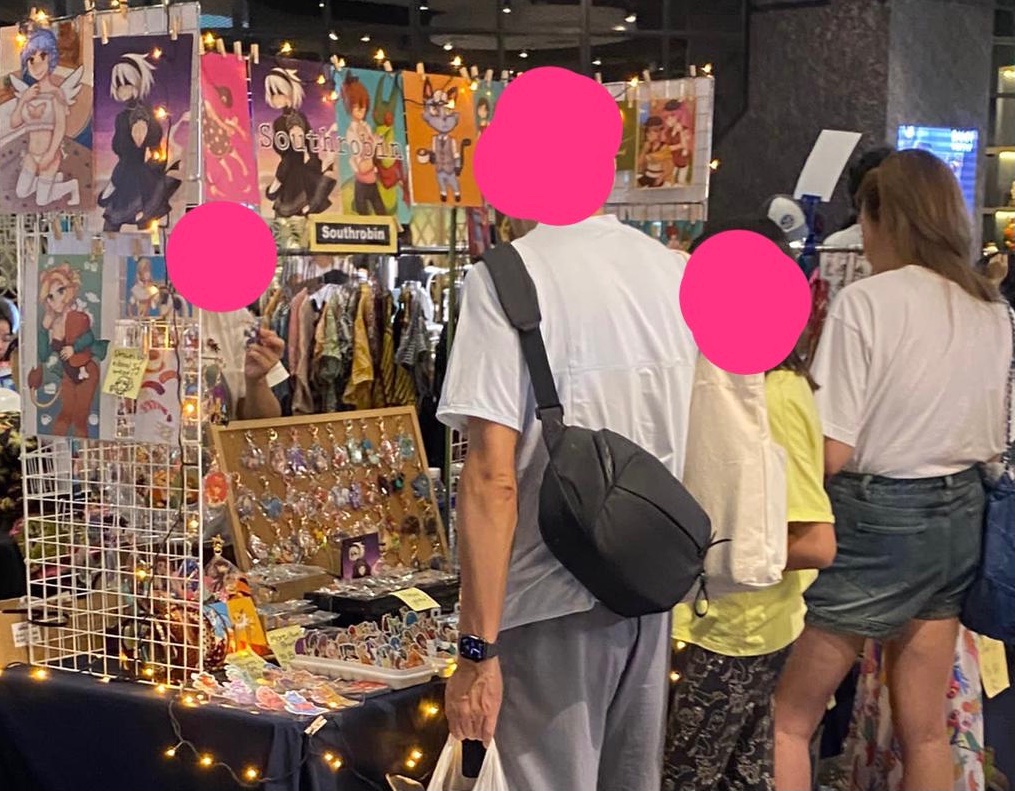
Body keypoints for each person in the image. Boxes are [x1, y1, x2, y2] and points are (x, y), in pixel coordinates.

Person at [773, 149, 1011, 791]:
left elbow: (832, 450)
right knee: (925, 727)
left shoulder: (866, 303)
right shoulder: (990, 307)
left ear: (885, 219)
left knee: (789, 719)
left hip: (876, 520)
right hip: (962, 514)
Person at [437, 210, 698, 790]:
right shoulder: (673, 272)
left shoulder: (506, 276)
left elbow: (491, 478)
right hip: (649, 588)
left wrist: (477, 653)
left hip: (546, 598)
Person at [665, 217, 836, 791]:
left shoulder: (773, 394)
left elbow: (816, 542)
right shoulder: (738, 382)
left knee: (686, 777)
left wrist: (705, 553)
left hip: (731, 629)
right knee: (739, 774)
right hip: (731, 624)